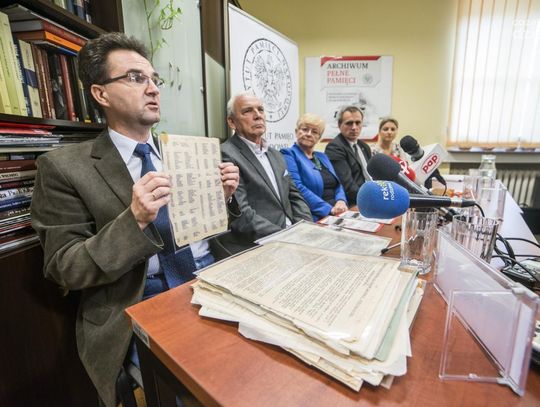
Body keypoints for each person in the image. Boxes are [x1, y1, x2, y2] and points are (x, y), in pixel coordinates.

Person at [30, 33, 239, 407]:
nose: (153, 89)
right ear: (101, 94)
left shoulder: (185, 151)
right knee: (198, 394)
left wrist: (220, 199)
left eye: (154, 79)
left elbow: (206, 234)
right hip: (139, 302)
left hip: (210, 283)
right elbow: (64, 268)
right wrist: (135, 220)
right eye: (135, 78)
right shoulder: (63, 168)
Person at [219, 91, 312, 253]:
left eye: (260, 110)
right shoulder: (225, 154)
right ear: (232, 122)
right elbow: (241, 215)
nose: (258, 115)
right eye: (248, 111)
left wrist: (306, 228)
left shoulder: (276, 155)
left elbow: (295, 196)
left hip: (293, 237)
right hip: (259, 245)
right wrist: (286, 237)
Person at [281, 113, 347, 221]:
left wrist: (341, 201)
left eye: (314, 132)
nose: (308, 134)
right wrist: (329, 209)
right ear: (296, 131)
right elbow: (297, 187)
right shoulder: (288, 154)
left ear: (319, 138)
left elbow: (337, 184)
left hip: (337, 212)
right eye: (305, 129)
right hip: (314, 214)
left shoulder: (323, 157)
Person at [325, 105, 372, 204]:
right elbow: (347, 185)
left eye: (358, 123)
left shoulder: (364, 146)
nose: (354, 127)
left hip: (370, 195)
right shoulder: (334, 148)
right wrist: (368, 200)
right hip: (352, 202)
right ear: (339, 124)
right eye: (349, 123)